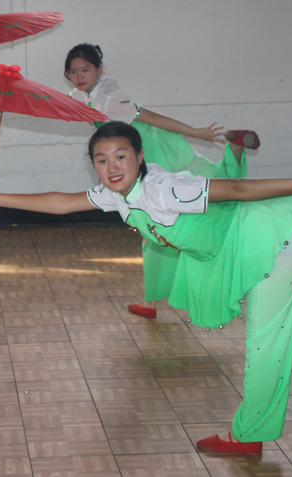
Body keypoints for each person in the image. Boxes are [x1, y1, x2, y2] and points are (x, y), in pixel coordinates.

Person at [0, 121, 292, 454]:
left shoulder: (162, 190)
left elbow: (234, 189)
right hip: (272, 219)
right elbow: (63, 202)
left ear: (140, 156)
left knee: (266, 341)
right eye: (101, 160)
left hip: (264, 242)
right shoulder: (120, 195)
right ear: (95, 166)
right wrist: (0, 198)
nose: (112, 167)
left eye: (121, 156)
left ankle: (249, 434)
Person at [64, 43, 260, 319]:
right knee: (206, 193)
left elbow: (152, 117)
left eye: (85, 69)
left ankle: (151, 302)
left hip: (152, 156)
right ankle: (235, 151)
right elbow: (67, 103)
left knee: (199, 201)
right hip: (145, 157)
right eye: (73, 71)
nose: (79, 75)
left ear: (100, 69)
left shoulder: (110, 98)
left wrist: (198, 132)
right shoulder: (82, 94)